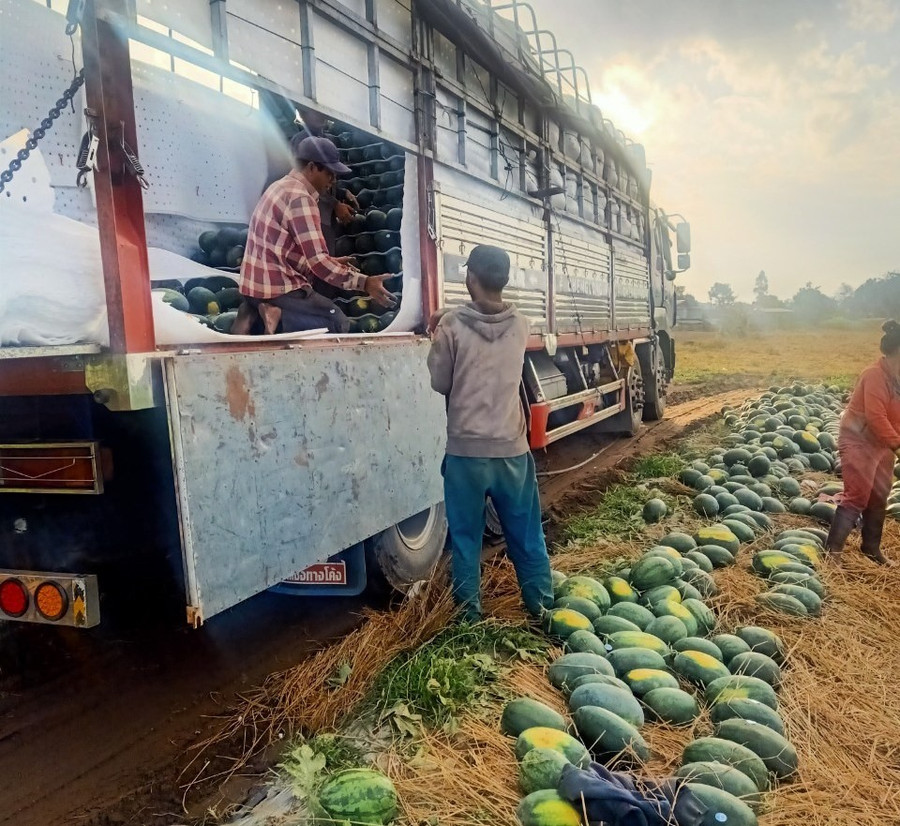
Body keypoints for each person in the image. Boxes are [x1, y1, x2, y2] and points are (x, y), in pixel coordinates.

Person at [427, 245, 554, 622]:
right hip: (511, 453)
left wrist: (442, 324)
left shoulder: (450, 326)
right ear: (505, 280)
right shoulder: (521, 324)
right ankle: (542, 608)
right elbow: (493, 315)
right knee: (527, 536)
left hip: (466, 455)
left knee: (466, 541)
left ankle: (469, 619)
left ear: (470, 278)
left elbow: (439, 382)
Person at [233, 135, 394, 335]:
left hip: (252, 287)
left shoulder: (278, 187)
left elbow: (283, 249)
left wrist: (331, 261)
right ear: (312, 167)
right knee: (336, 321)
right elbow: (318, 263)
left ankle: (253, 312)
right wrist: (365, 283)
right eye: (330, 174)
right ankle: (279, 316)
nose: (333, 181)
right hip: (277, 289)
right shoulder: (301, 198)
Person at [825, 320, 900, 564]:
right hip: (859, 440)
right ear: (894, 352)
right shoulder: (874, 376)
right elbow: (876, 417)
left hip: (883, 444)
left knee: (880, 496)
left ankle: (871, 549)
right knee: (857, 495)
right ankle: (833, 552)